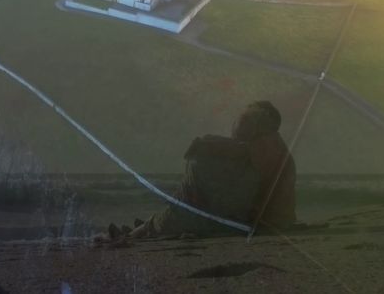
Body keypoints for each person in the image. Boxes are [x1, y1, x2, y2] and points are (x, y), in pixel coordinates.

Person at [108, 101, 296, 241]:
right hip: (255, 218)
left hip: (257, 221)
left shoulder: (269, 145)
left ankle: (139, 231)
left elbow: (241, 142)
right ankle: (142, 229)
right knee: (179, 211)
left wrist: (206, 145)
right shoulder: (270, 146)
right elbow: (242, 149)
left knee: (179, 213)